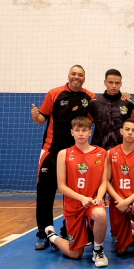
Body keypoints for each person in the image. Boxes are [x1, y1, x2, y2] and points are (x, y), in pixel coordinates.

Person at [30, 65, 96, 250]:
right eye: (73, 74)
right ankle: (43, 234)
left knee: (75, 194)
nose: (76, 77)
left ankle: (70, 230)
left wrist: (123, 96)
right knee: (45, 194)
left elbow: (104, 111)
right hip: (51, 151)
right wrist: (36, 116)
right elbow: (42, 119)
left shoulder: (90, 97)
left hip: (76, 154)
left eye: (80, 75)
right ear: (68, 76)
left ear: (84, 78)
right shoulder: (54, 93)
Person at [44, 117, 109, 267]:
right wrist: (81, 198)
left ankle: (98, 251)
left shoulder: (102, 153)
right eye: (77, 130)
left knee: (100, 214)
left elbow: (104, 181)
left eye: (84, 130)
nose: (81, 134)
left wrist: (99, 197)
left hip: (93, 201)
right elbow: (62, 186)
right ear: (72, 132)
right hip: (74, 205)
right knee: (75, 254)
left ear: (90, 132)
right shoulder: (63, 154)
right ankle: (52, 236)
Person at [107, 118, 134, 268]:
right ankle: (133, 228)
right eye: (127, 129)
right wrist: (120, 200)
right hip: (117, 201)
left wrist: (128, 201)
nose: (130, 133)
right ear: (121, 131)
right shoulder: (111, 154)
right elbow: (106, 182)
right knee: (121, 250)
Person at [89, 69, 134, 150]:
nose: (114, 86)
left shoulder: (128, 103)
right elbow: (86, 124)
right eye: (110, 82)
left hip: (122, 149)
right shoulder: (94, 103)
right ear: (105, 82)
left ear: (121, 84)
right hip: (98, 148)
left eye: (117, 83)